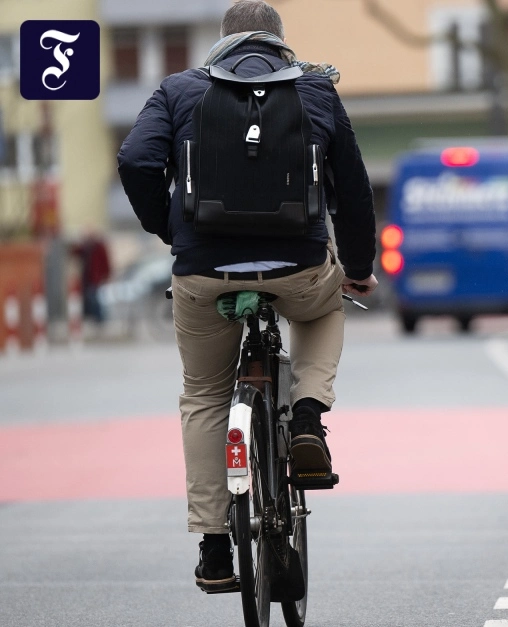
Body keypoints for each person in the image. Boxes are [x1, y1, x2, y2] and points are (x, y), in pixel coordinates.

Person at [116, 0, 377, 594]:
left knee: (205, 394)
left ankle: (213, 546)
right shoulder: (314, 91)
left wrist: (170, 228)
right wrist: (357, 269)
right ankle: (307, 416)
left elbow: (134, 159)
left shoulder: (179, 91)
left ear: (222, 42)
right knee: (325, 309)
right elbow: (354, 192)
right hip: (299, 267)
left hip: (203, 271)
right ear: (281, 42)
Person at [71, 233, 112, 325]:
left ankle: (100, 319)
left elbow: (105, 262)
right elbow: (76, 252)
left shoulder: (99, 247)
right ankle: (95, 318)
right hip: (88, 278)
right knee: (91, 298)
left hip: (96, 278)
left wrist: (106, 275)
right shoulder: (86, 247)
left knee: (95, 298)